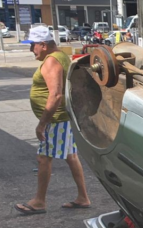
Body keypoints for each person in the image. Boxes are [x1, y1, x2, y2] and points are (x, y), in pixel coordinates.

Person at [14, 25, 91, 215]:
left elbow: (55, 95)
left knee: (43, 158)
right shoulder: (60, 56)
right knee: (71, 156)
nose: (31, 50)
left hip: (56, 119)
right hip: (63, 118)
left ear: (43, 45)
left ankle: (39, 202)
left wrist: (42, 123)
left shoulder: (51, 62)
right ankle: (83, 197)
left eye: (33, 45)